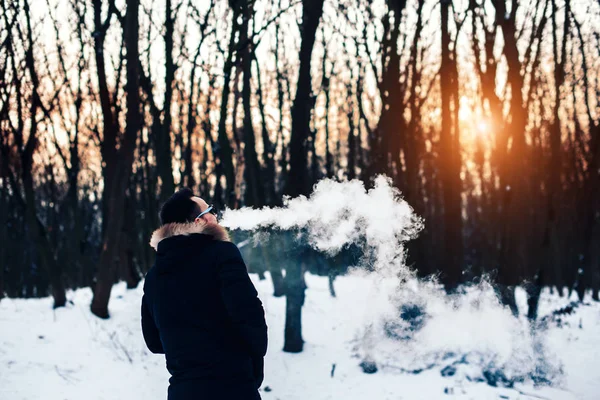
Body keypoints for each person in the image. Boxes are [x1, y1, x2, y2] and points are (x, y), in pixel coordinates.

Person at [141, 188, 268, 400]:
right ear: (198, 222)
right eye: (208, 210)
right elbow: (249, 316)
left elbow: (154, 341)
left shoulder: (154, 275)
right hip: (232, 387)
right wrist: (251, 365)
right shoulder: (221, 254)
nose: (215, 215)